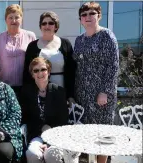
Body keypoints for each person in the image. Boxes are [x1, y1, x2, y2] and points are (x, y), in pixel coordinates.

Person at [73, 2, 119, 163]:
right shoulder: (79, 40)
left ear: (98, 15)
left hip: (102, 96)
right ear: (80, 20)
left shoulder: (107, 36)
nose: (87, 17)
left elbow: (113, 65)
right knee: (85, 134)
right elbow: (76, 67)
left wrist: (105, 91)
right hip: (83, 94)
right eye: (84, 15)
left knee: (103, 135)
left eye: (91, 13)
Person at [21, 57, 77, 163]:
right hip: (37, 134)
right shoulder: (27, 92)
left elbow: (63, 120)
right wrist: (42, 127)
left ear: (49, 71)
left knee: (52, 155)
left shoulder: (58, 91)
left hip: (56, 136)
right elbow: (26, 118)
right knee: (32, 154)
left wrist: (49, 141)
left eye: (43, 69)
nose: (40, 73)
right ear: (32, 75)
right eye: (36, 70)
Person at [23, 11, 76, 101]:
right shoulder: (32, 46)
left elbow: (71, 72)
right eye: (44, 23)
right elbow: (27, 73)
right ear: (40, 26)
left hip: (62, 90)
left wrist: (71, 95)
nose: (47, 26)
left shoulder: (65, 44)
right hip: (39, 91)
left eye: (51, 23)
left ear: (56, 26)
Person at [0, 4, 36, 96]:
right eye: (10, 17)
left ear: (21, 19)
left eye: (17, 17)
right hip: (4, 87)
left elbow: (35, 61)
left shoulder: (30, 36)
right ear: (6, 20)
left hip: (26, 86)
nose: (14, 20)